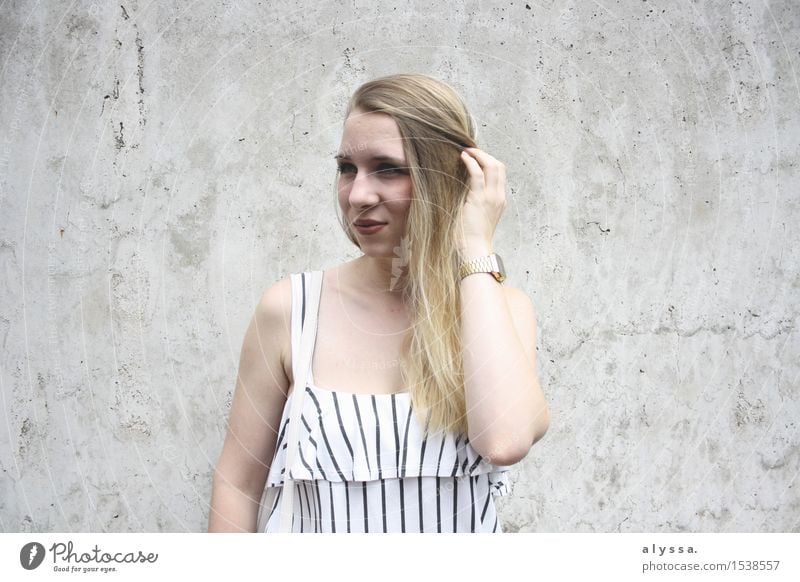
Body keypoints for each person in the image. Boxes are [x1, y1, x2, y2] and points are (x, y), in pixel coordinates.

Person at [208, 73, 549, 533]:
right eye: (347, 168)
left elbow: (503, 441)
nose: (357, 195)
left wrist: (474, 246)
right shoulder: (291, 309)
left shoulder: (502, 310)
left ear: (451, 178)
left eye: (388, 168)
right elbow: (238, 484)